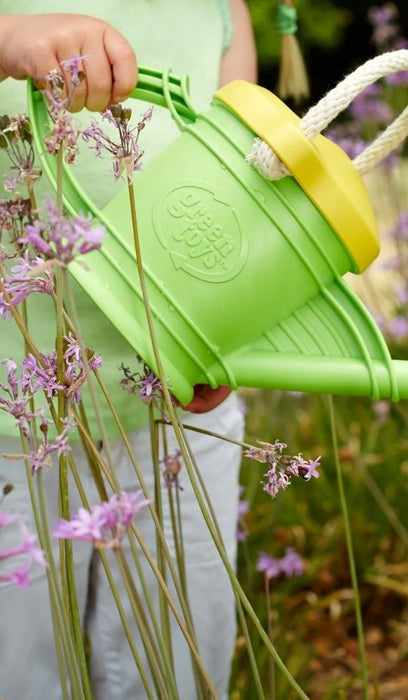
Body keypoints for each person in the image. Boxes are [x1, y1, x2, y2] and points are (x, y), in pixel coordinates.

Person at [0, 2, 256, 698]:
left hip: (175, 404)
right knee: (16, 666)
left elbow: (245, 176)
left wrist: (230, 329)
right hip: (10, 415)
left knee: (176, 659)